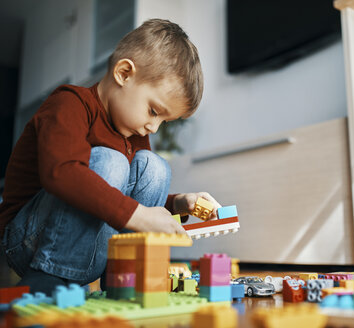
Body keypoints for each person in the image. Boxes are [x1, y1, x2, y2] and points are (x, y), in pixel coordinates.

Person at [0, 19, 220, 294]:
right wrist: (139, 216)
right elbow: (63, 172)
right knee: (111, 161)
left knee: (155, 167)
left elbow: (119, 196)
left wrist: (178, 203)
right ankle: (51, 278)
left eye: (165, 121)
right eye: (154, 111)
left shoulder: (135, 132)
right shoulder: (70, 103)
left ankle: (125, 278)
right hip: (30, 244)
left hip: (94, 248)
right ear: (124, 73)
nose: (154, 127)